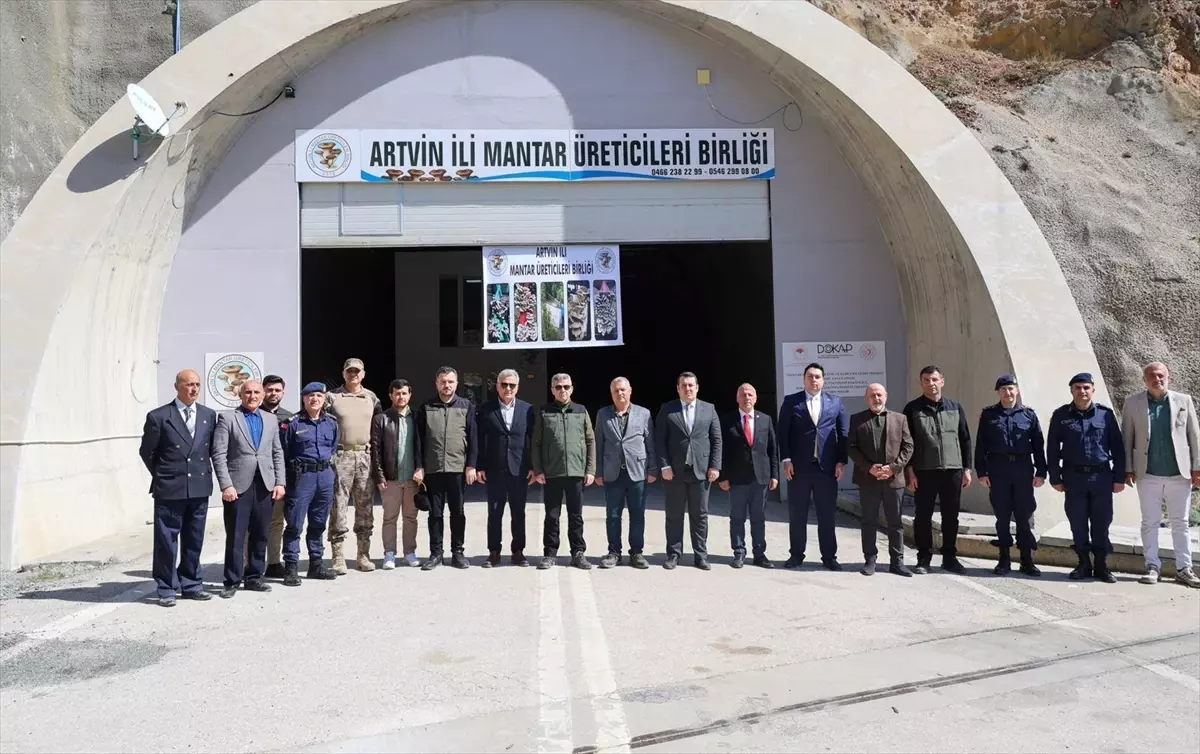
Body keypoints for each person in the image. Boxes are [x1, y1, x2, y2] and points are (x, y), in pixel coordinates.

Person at [138, 369, 216, 607]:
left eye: (197, 385)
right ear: (177, 387)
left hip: (199, 487)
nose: (194, 389)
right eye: (189, 384)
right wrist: (165, 474)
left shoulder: (208, 415)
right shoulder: (159, 416)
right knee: (166, 540)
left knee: (194, 538)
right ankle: (166, 587)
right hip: (171, 488)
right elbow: (147, 452)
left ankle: (191, 583)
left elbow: (209, 449)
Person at [1121, 362, 1200, 588]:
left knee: (1181, 523)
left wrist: (1197, 467)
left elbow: (1194, 435)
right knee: (1150, 522)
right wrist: (1127, 468)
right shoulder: (1132, 403)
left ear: (1169, 377)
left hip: (1180, 474)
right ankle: (1152, 566)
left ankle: (1184, 568)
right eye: (1152, 376)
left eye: (1161, 375)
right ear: (1144, 380)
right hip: (1147, 473)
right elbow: (1127, 437)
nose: (1157, 379)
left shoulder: (1184, 400)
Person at [1047, 372, 1126, 583]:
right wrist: (1055, 477)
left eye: (1086, 387)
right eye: (1077, 388)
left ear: (1093, 389)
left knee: (1101, 522)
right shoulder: (1061, 415)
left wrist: (1119, 477)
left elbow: (1118, 448)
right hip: (1074, 478)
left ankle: (1101, 565)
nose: (1082, 391)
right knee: (1078, 522)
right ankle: (1083, 564)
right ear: (1071, 390)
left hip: (1101, 477)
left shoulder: (1106, 415)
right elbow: (1052, 448)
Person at [212, 380, 286, 598]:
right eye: (248, 392)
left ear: (262, 395)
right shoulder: (227, 418)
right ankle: (232, 581)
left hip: (265, 484)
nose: (252, 396)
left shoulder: (270, 419)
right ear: (240, 395)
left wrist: (280, 482)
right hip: (238, 487)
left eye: (256, 392)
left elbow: (277, 452)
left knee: (261, 533)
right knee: (236, 534)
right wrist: (226, 485)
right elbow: (219, 454)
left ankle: (254, 577)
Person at [902, 366, 973, 575]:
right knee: (922, 517)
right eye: (926, 380)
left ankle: (950, 558)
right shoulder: (912, 409)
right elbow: (907, 442)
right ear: (921, 383)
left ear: (942, 381)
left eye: (934, 379)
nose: (931, 383)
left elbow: (965, 439)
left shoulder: (955, 407)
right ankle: (924, 558)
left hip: (953, 470)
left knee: (951, 516)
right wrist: (909, 471)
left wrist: (967, 469)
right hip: (924, 471)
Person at [778, 363, 849, 570]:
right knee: (797, 514)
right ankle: (796, 554)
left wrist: (841, 461)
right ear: (804, 379)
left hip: (826, 468)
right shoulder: (792, 401)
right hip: (799, 468)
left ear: (823, 380)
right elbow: (782, 432)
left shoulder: (835, 402)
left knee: (826, 515)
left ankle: (829, 557)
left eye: (817, 376)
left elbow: (843, 433)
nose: (814, 380)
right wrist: (786, 460)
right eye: (810, 376)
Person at [975, 374, 1047, 577]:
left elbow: (1038, 445)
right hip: (998, 469)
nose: (1008, 392)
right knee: (1002, 516)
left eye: (1011, 388)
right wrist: (981, 472)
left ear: (1017, 390)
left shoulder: (1028, 415)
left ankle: (1026, 559)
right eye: (1003, 389)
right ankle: (1004, 559)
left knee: (1024, 515)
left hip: (1023, 469)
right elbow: (981, 445)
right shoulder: (989, 415)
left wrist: (1041, 472)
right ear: (998, 392)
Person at [655, 372, 722, 570]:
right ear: (678, 388)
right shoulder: (667, 409)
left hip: (701, 471)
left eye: (691, 385)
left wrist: (715, 465)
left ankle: (700, 556)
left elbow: (716, 439)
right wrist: (664, 465)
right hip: (674, 472)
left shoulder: (709, 409)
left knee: (700, 516)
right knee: (674, 515)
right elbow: (659, 439)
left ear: (697, 387)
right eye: (683, 385)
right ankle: (674, 555)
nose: (688, 389)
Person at [414, 366, 478, 570]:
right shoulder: (426, 407)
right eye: (443, 382)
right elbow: (418, 440)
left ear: (457, 384)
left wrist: (471, 465)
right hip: (433, 469)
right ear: (436, 384)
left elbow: (473, 438)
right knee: (435, 514)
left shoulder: (466, 406)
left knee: (457, 512)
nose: (446, 385)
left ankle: (458, 553)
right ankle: (436, 553)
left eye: (450, 381)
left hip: (458, 469)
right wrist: (419, 466)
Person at [847, 383, 914, 576]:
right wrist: (869, 468)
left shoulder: (900, 419)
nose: (876, 399)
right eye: (872, 396)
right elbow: (851, 447)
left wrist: (893, 468)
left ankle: (897, 562)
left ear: (886, 396)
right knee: (869, 521)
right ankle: (870, 560)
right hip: (868, 479)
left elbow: (908, 446)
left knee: (895, 522)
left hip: (894, 480)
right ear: (866, 398)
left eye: (879, 395)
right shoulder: (857, 419)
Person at [532, 373, 597, 570]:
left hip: (576, 472)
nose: (563, 390)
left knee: (576, 516)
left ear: (572, 389)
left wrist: (590, 469)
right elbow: (536, 443)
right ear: (552, 390)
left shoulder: (581, 410)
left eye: (566, 387)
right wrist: (538, 469)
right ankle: (550, 553)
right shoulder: (544, 411)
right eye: (558, 387)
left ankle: (578, 553)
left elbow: (590, 440)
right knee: (552, 516)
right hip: (552, 473)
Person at [324, 358, 383, 573]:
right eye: (349, 371)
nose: (353, 374)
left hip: (365, 457)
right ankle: (338, 557)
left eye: (357, 371)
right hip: (341, 456)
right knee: (338, 507)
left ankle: (363, 555)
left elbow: (379, 429)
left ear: (363, 374)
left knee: (365, 508)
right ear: (343, 373)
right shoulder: (332, 398)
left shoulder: (371, 398)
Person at [595, 377, 657, 569]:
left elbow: (650, 442)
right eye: (616, 390)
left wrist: (653, 469)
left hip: (637, 472)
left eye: (623, 389)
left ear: (630, 391)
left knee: (637, 515)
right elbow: (598, 443)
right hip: (613, 473)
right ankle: (614, 553)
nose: (620, 393)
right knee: (613, 515)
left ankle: (636, 553)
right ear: (611, 394)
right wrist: (598, 471)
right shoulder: (603, 414)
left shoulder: (644, 413)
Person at [280, 382, 339, 585]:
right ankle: (291, 567)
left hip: (325, 476)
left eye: (319, 396)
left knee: (319, 523)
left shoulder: (331, 422)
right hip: (301, 477)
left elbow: (333, 447)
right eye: (310, 396)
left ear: (324, 399)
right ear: (303, 399)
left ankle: (316, 564)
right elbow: (284, 452)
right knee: (295, 524)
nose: (315, 399)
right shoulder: (292, 423)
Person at [476, 369, 535, 568]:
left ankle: (518, 551)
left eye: (512, 385)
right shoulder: (486, 409)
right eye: (504, 384)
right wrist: (479, 466)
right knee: (494, 513)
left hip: (519, 469)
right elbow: (479, 439)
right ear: (497, 386)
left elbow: (532, 439)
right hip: (495, 469)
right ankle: (494, 552)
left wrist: (533, 466)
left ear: (517, 387)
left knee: (518, 513)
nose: (508, 388)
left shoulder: (528, 409)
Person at [718, 383, 779, 569]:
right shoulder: (727, 420)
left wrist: (774, 475)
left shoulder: (765, 420)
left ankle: (759, 554)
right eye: (743, 395)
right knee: (737, 517)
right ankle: (739, 552)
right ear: (737, 398)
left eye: (750, 394)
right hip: (737, 479)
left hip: (760, 478)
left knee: (758, 517)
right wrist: (723, 476)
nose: (747, 398)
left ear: (756, 398)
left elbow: (772, 449)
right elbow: (721, 451)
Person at [371, 379, 424, 570]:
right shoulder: (381, 419)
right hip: (391, 479)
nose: (401, 397)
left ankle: (409, 553)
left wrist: (421, 468)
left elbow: (424, 446)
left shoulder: (418, 417)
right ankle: (389, 554)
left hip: (412, 479)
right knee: (390, 518)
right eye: (397, 393)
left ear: (410, 395)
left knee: (410, 518)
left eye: (404, 393)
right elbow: (376, 450)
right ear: (391, 396)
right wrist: (379, 476)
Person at [261, 374, 294, 579]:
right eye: (269, 390)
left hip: (281, 478)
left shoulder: (289, 418)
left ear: (283, 392)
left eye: (277, 390)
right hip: (257, 477)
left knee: (276, 522)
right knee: (253, 524)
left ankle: (273, 563)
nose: (273, 393)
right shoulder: (251, 414)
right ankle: (249, 566)